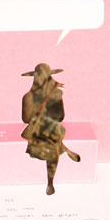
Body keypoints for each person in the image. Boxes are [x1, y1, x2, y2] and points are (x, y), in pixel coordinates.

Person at [21, 63, 80, 195]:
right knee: (54, 146)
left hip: (36, 131)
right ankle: (50, 181)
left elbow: (25, 119)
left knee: (51, 147)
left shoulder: (27, 97)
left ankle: (51, 182)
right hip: (52, 130)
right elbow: (60, 116)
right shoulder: (56, 94)